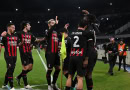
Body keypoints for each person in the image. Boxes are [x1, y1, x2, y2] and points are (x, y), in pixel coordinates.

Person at [65, 15, 89, 90]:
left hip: (72, 56)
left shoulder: (72, 33)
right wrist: (86, 59)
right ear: (85, 26)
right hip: (80, 57)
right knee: (80, 78)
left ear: (78, 26)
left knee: (69, 76)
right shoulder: (85, 34)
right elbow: (88, 47)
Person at [0, 23, 21, 90]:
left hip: (14, 55)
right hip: (8, 55)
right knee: (11, 69)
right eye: (13, 27)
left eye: (14, 27)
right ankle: (12, 86)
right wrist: (1, 36)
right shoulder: (5, 36)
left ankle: (5, 84)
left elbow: (18, 44)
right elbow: (0, 44)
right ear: (9, 28)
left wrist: (23, 43)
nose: (14, 29)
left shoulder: (15, 36)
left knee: (10, 70)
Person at [45, 16, 61, 90]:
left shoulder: (56, 32)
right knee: (50, 69)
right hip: (50, 53)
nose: (53, 24)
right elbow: (50, 31)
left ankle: (53, 83)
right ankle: (49, 85)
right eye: (52, 23)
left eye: (54, 23)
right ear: (49, 24)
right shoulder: (47, 31)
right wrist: (56, 24)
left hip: (56, 53)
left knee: (58, 69)